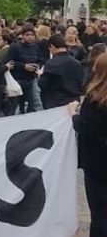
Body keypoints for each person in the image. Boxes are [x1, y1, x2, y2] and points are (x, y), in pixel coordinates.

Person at [68, 53, 107, 237]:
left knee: (100, 212)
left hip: (98, 160)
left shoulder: (96, 97)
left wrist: (73, 114)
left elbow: (88, 128)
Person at [38, 34, 84, 109]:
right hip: (74, 102)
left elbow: (42, 84)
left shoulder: (51, 63)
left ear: (51, 46)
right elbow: (81, 83)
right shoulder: (77, 63)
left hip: (56, 102)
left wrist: (40, 75)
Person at [5, 25, 44, 114]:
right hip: (17, 79)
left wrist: (37, 66)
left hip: (31, 79)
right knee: (16, 105)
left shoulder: (36, 47)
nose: (30, 37)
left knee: (36, 103)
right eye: (27, 35)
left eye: (32, 35)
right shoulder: (15, 47)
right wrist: (24, 66)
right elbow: (9, 61)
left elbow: (41, 59)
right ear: (22, 35)